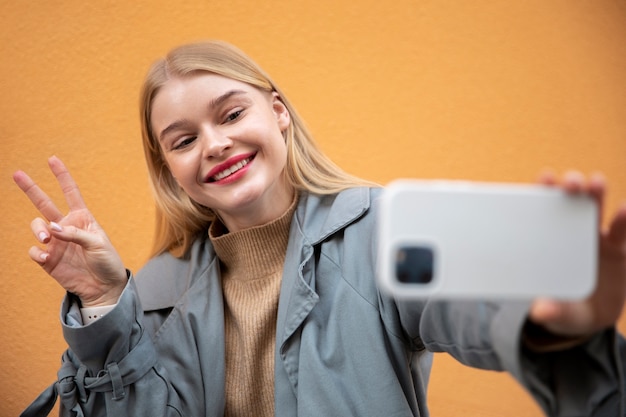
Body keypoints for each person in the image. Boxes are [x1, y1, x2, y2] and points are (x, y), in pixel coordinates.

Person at [13, 40, 626, 417]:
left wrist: (554, 319)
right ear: (170, 170)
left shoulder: (380, 227)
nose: (216, 143)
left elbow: (471, 308)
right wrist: (101, 302)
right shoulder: (152, 291)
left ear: (277, 113)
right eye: (184, 140)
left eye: (232, 113)